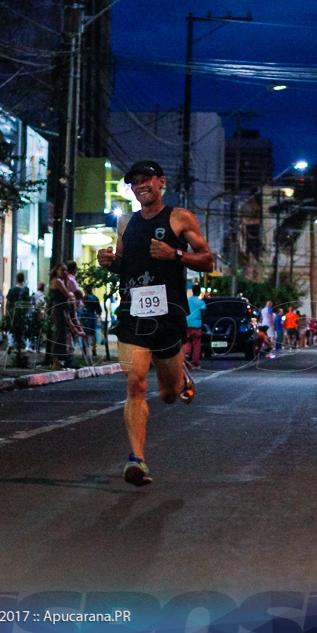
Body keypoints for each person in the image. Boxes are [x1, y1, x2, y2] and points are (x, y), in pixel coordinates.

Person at [96, 160, 213, 487]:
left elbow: (207, 260)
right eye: (134, 182)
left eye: (146, 179)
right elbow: (121, 264)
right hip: (132, 314)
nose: (140, 185)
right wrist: (107, 262)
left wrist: (174, 255)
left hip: (168, 315)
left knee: (168, 394)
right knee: (135, 383)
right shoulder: (125, 222)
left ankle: (180, 378)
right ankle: (137, 459)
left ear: (161, 182)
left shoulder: (179, 218)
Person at [47, 264, 74, 369]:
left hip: (60, 308)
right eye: (62, 270)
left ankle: (57, 360)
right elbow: (67, 294)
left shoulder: (57, 281)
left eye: (66, 270)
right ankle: (55, 361)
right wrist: (67, 280)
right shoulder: (57, 281)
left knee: (61, 334)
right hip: (58, 309)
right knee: (58, 334)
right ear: (56, 270)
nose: (64, 272)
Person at [183, 284, 206, 368]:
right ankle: (194, 363)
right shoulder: (201, 302)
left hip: (187, 324)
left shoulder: (188, 300)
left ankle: (186, 357)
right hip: (197, 325)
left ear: (192, 291)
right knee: (196, 344)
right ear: (199, 292)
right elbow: (203, 314)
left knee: (188, 343)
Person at [81, 286, 102, 356]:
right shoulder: (95, 298)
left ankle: (85, 349)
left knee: (85, 333)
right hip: (93, 315)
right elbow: (99, 309)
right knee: (93, 333)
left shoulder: (84, 298)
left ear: (85, 291)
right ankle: (94, 349)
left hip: (86, 316)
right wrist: (99, 316)